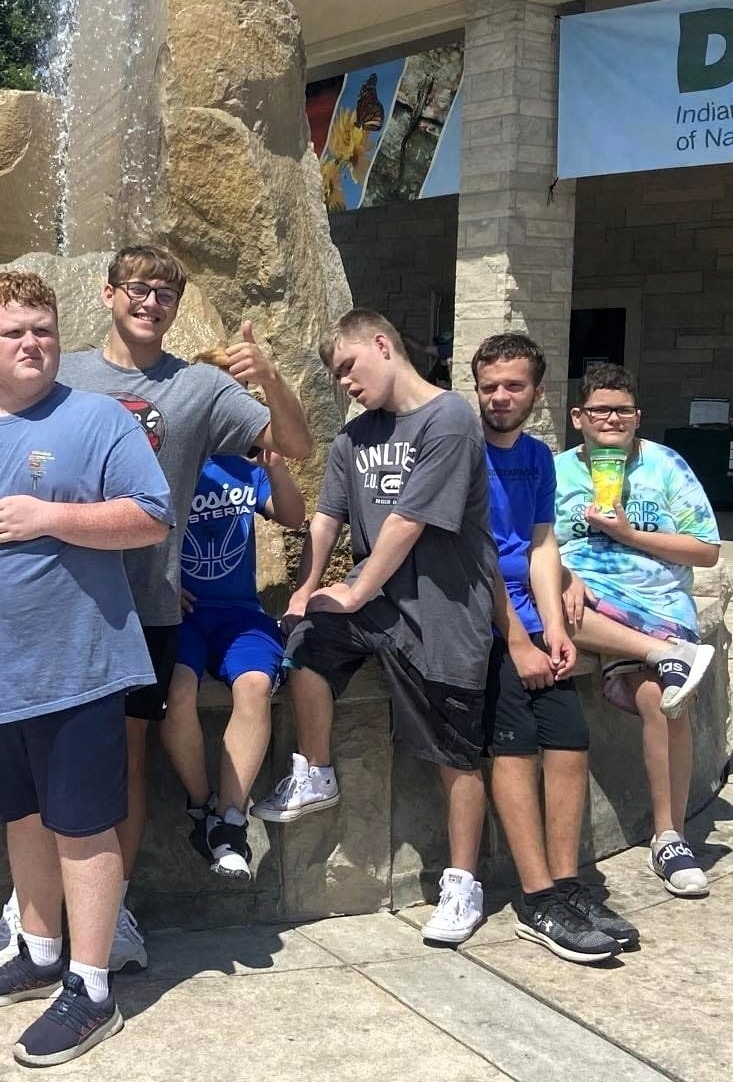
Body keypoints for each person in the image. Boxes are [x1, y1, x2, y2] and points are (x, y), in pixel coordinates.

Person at [0, 244, 310, 973]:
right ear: (107, 294)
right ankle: (31, 914)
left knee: (127, 761)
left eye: (165, 292)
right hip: (53, 599)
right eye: (136, 288)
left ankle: (118, 909)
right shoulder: (63, 371)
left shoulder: (199, 387)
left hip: (146, 607)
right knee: (38, 761)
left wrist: (267, 379)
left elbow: (291, 444)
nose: (150, 301)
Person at [0, 270, 171, 1067]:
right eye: (15, 332)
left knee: (83, 826)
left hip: (76, 666)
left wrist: (46, 516)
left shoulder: (99, 420)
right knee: (21, 818)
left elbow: (152, 518)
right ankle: (40, 951)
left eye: (44, 330)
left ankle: (91, 989)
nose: (32, 343)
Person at [260, 309, 497, 949]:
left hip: (443, 612)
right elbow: (326, 520)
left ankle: (462, 881)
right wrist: (306, 593)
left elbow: (409, 520)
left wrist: (357, 586)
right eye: (335, 377)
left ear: (384, 344)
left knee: (457, 755)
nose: (344, 385)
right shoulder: (351, 440)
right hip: (377, 611)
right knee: (306, 644)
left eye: (348, 368)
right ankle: (316, 770)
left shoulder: (450, 418)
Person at [472, 333, 635, 964]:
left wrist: (556, 629)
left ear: (537, 392)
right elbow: (476, 554)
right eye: (490, 386)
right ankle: (536, 900)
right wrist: (517, 639)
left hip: (528, 619)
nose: (500, 397)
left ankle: (568, 884)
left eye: (513, 385)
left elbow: (541, 546)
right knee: (513, 747)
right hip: (481, 621)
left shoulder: (539, 458)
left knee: (568, 740)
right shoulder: (462, 451)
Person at [555, 363, 722, 898]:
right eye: (600, 409)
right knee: (551, 610)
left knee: (663, 699)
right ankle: (666, 654)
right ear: (578, 416)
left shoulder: (666, 466)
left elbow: (706, 548)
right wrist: (563, 574)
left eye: (622, 410)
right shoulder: (557, 471)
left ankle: (668, 836)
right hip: (589, 599)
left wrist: (629, 533)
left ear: (637, 417)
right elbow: (535, 543)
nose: (611, 419)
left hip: (656, 599)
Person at [159, 446, 303, 881]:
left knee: (256, 684)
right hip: (181, 613)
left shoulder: (244, 466)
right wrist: (159, 584)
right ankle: (202, 809)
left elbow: (294, 516)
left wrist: (275, 463)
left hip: (240, 614)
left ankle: (230, 819)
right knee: (177, 689)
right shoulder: (167, 456)